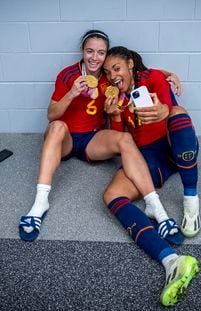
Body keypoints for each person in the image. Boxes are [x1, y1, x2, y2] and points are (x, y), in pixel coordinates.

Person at [18, 30, 182, 245]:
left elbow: (138, 71)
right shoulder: (68, 74)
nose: (95, 57)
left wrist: (170, 74)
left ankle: (156, 207)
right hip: (65, 139)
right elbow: (51, 115)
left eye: (100, 52)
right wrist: (72, 93)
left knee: (125, 139)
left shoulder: (109, 77)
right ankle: (40, 204)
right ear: (82, 52)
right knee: (56, 126)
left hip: (92, 140)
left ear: (106, 55)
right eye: (90, 51)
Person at [102, 46, 201, 306]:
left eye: (116, 68)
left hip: (171, 146)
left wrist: (165, 111)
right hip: (148, 161)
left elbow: (172, 109)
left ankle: (191, 201)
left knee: (179, 114)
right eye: (107, 71)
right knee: (112, 194)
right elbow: (119, 137)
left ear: (131, 64)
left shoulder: (154, 78)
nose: (112, 75)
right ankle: (172, 261)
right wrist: (113, 115)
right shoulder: (117, 97)